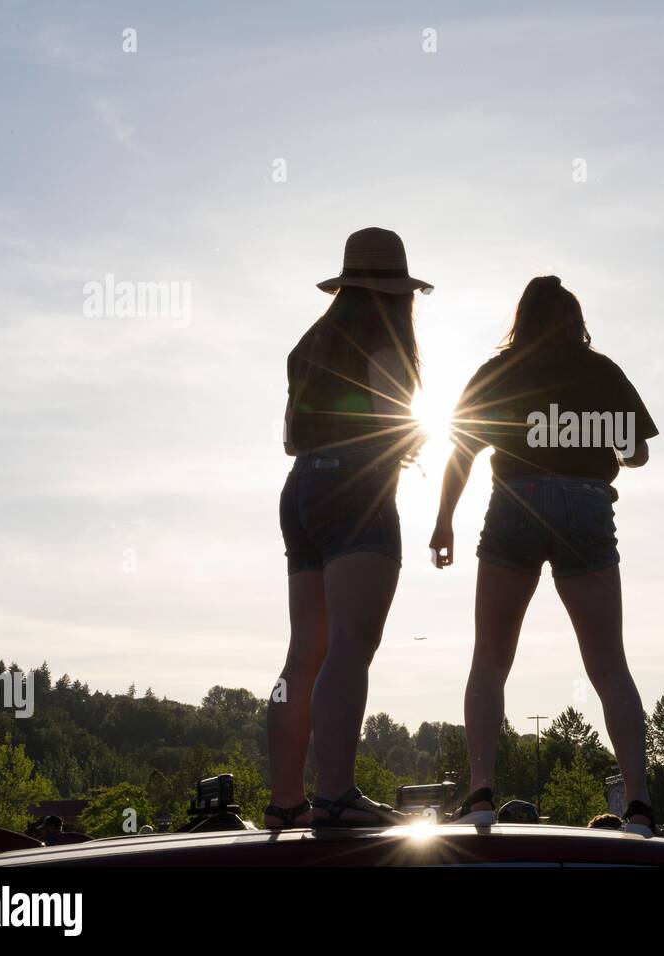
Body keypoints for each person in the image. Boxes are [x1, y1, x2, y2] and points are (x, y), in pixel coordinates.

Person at [429, 276, 658, 835]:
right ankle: (640, 808)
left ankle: (481, 793)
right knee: (609, 665)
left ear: (522, 319)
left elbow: (462, 449)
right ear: (575, 321)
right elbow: (639, 454)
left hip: (516, 501)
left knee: (490, 659)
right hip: (584, 506)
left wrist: (443, 521)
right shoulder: (601, 370)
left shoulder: (497, 371)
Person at [264, 227, 429, 829]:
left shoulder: (308, 343)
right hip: (357, 493)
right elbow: (395, 423)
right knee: (349, 650)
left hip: (301, 487)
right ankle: (335, 796)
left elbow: (289, 438)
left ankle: (287, 802)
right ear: (398, 291)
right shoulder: (384, 337)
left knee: (303, 654)